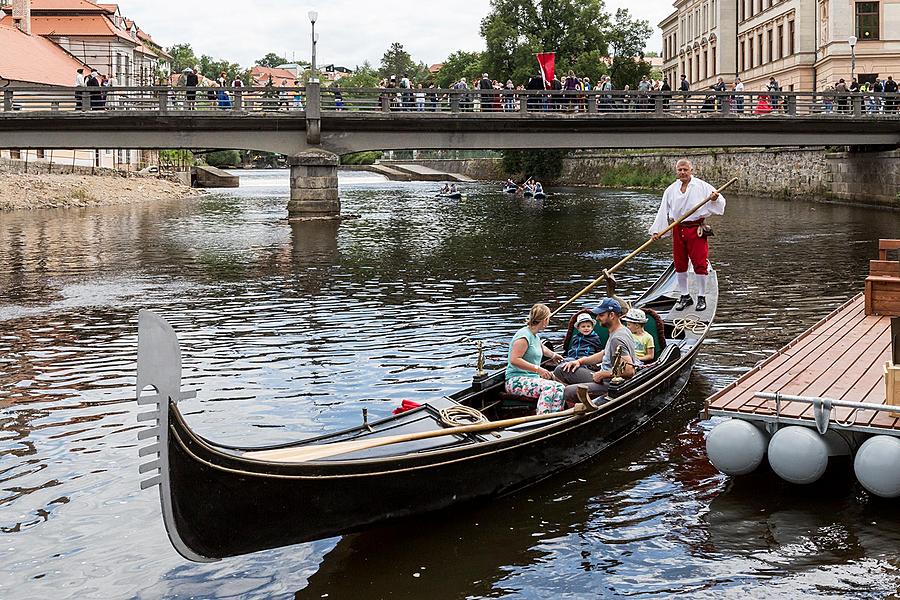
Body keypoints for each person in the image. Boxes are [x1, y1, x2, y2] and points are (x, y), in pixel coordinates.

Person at [650, 159, 726, 312]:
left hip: (695, 228)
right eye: (680, 170)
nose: (683, 172)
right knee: (679, 263)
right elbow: (662, 210)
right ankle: (685, 296)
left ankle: (701, 297)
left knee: (699, 263)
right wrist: (657, 231)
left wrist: (715, 198)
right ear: (676, 171)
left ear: (691, 170)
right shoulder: (670, 190)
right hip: (678, 228)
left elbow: (720, 202)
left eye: (685, 169)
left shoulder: (702, 186)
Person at [554, 298, 636, 405]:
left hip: (611, 384)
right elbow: (604, 353)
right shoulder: (619, 330)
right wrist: (580, 362)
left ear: (612, 315)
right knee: (561, 369)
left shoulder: (617, 338)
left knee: (568, 391)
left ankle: (579, 406)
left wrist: (603, 374)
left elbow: (629, 371)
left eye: (601, 315)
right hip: (604, 376)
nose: (597, 318)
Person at [505, 303, 566, 414]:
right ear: (545, 320)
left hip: (531, 378)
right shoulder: (524, 336)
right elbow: (514, 359)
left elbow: (542, 349)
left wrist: (553, 355)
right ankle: (542, 418)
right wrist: (538, 369)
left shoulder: (535, 335)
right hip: (515, 380)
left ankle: (555, 417)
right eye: (548, 319)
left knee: (560, 387)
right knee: (549, 387)